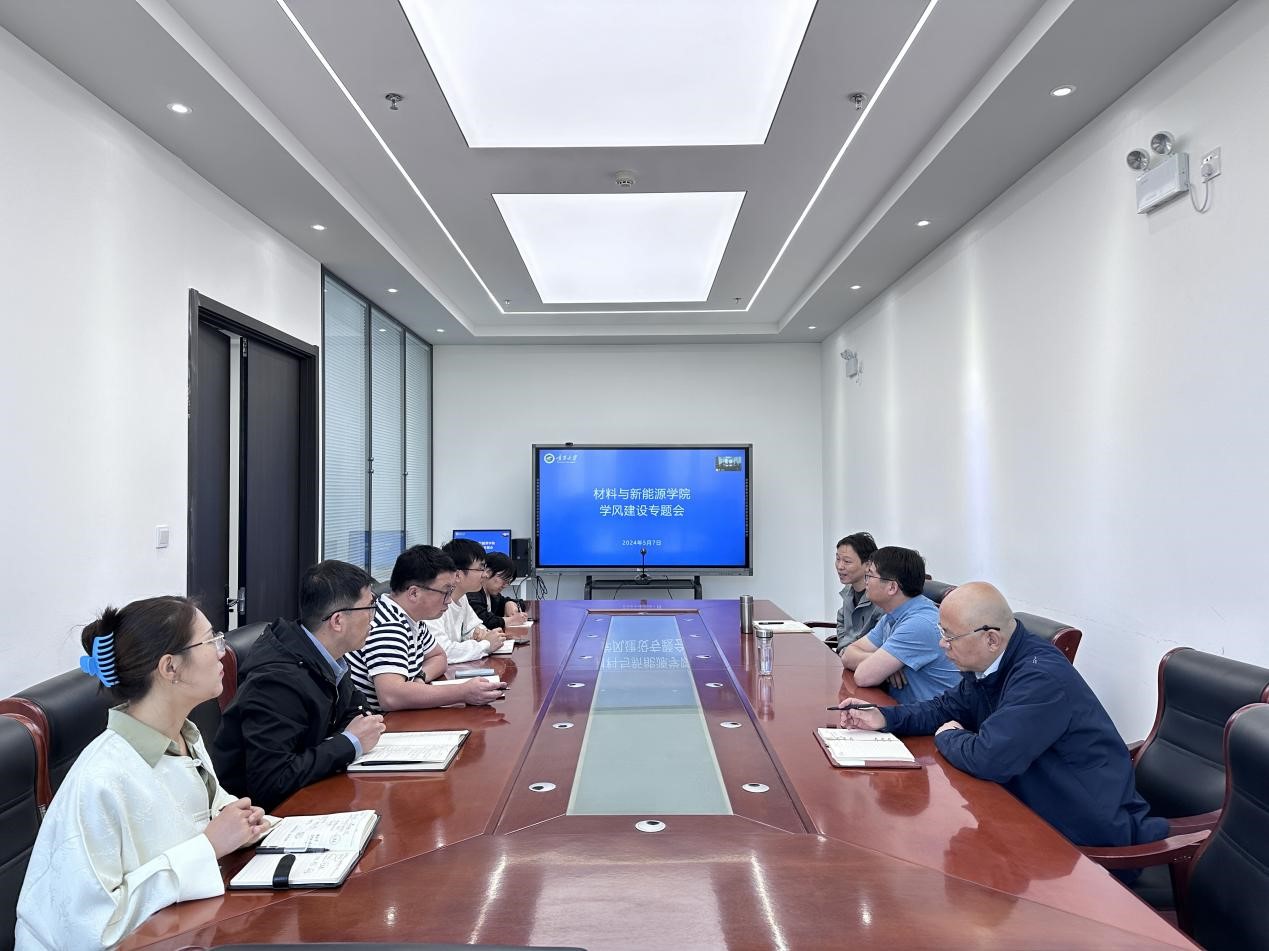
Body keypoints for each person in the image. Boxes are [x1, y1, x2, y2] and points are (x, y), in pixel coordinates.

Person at [838, 582, 1168, 855]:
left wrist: (948, 737)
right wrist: (885, 717)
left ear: (991, 639)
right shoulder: (988, 663)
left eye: (950, 637)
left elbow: (989, 758)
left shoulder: (1040, 679)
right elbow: (944, 708)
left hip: (1082, 837)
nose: (942, 645)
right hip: (1030, 814)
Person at [16, 597, 269, 949]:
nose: (221, 652)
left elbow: (197, 813)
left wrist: (239, 821)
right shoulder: (100, 779)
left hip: (182, 929)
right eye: (210, 640)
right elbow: (93, 929)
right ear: (170, 667)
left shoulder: (184, 736)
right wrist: (209, 846)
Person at [211, 560, 387, 811]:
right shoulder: (276, 681)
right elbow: (271, 783)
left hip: (314, 789)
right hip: (263, 815)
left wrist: (350, 736)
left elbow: (357, 711)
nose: (373, 619)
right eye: (370, 608)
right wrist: (349, 742)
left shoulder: (326, 654)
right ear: (337, 621)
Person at [347, 544, 506, 712]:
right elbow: (391, 697)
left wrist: (419, 678)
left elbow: (439, 657)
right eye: (445, 592)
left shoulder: (411, 617)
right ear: (414, 593)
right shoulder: (388, 625)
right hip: (381, 722)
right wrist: (463, 692)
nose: (449, 600)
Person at [840, 546, 960, 702]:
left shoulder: (918, 624)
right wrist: (881, 662)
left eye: (870, 575)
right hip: (901, 707)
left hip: (933, 715)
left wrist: (879, 664)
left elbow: (863, 677)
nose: (865, 581)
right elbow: (848, 654)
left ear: (892, 587)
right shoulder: (893, 614)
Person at [424, 538, 506, 663]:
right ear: (458, 575)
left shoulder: (462, 597)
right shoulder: (434, 604)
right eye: (480, 569)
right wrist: (486, 644)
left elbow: (475, 627)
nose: (485, 575)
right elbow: (443, 652)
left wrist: (479, 634)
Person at [832, 531, 882, 653]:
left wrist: (851, 653)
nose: (840, 566)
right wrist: (844, 648)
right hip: (848, 656)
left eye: (847, 561)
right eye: (838, 559)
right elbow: (841, 620)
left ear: (868, 565)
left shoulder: (881, 598)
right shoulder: (848, 591)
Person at [467, 551, 529, 630]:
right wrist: (511, 620)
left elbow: (518, 602)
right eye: (504, 580)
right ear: (488, 572)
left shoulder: (492, 595)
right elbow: (483, 621)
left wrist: (509, 603)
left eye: (508, 582)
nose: (505, 585)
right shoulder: (472, 592)